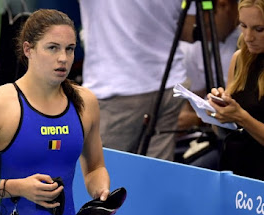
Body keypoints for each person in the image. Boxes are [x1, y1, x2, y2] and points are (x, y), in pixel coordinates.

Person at [0, 9, 110, 215]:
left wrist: (102, 192)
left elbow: (95, 168)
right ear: (28, 50)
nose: (63, 58)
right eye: (52, 48)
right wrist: (15, 187)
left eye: (70, 49)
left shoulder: (85, 103)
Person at [78, 0, 197, 161]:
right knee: (153, 175)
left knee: (103, 175)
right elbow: (189, 29)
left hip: (118, 91)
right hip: (169, 85)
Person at [176, 0, 240, 169]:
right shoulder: (199, 46)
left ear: (223, 6)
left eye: (207, 25)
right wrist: (184, 120)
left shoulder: (246, 47)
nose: (204, 32)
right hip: (206, 135)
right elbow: (195, 98)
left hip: (234, 137)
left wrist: (196, 119)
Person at [207, 0, 264, 180]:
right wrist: (219, 109)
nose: (248, 37)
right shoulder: (239, 60)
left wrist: (241, 116)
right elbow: (228, 129)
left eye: (259, 29)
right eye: (243, 25)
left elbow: (241, 117)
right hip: (235, 166)